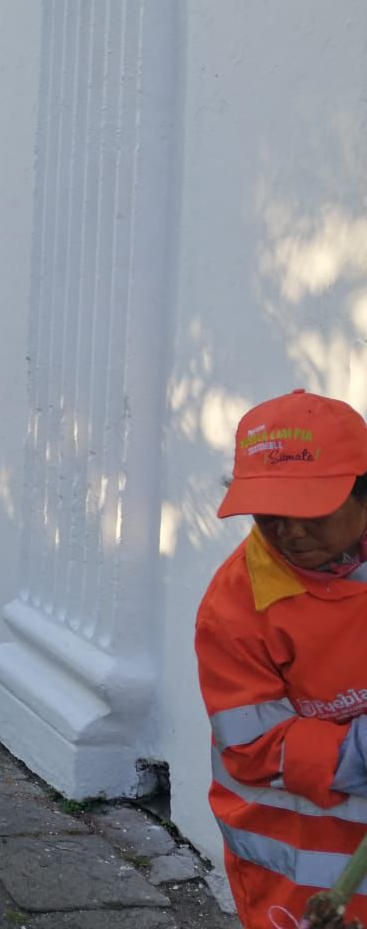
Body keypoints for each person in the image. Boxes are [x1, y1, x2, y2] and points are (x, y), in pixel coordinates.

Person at [195, 389, 367, 928]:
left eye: (310, 509)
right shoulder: (234, 607)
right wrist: (359, 751)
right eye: (269, 514)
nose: (289, 531)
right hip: (298, 870)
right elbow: (251, 745)